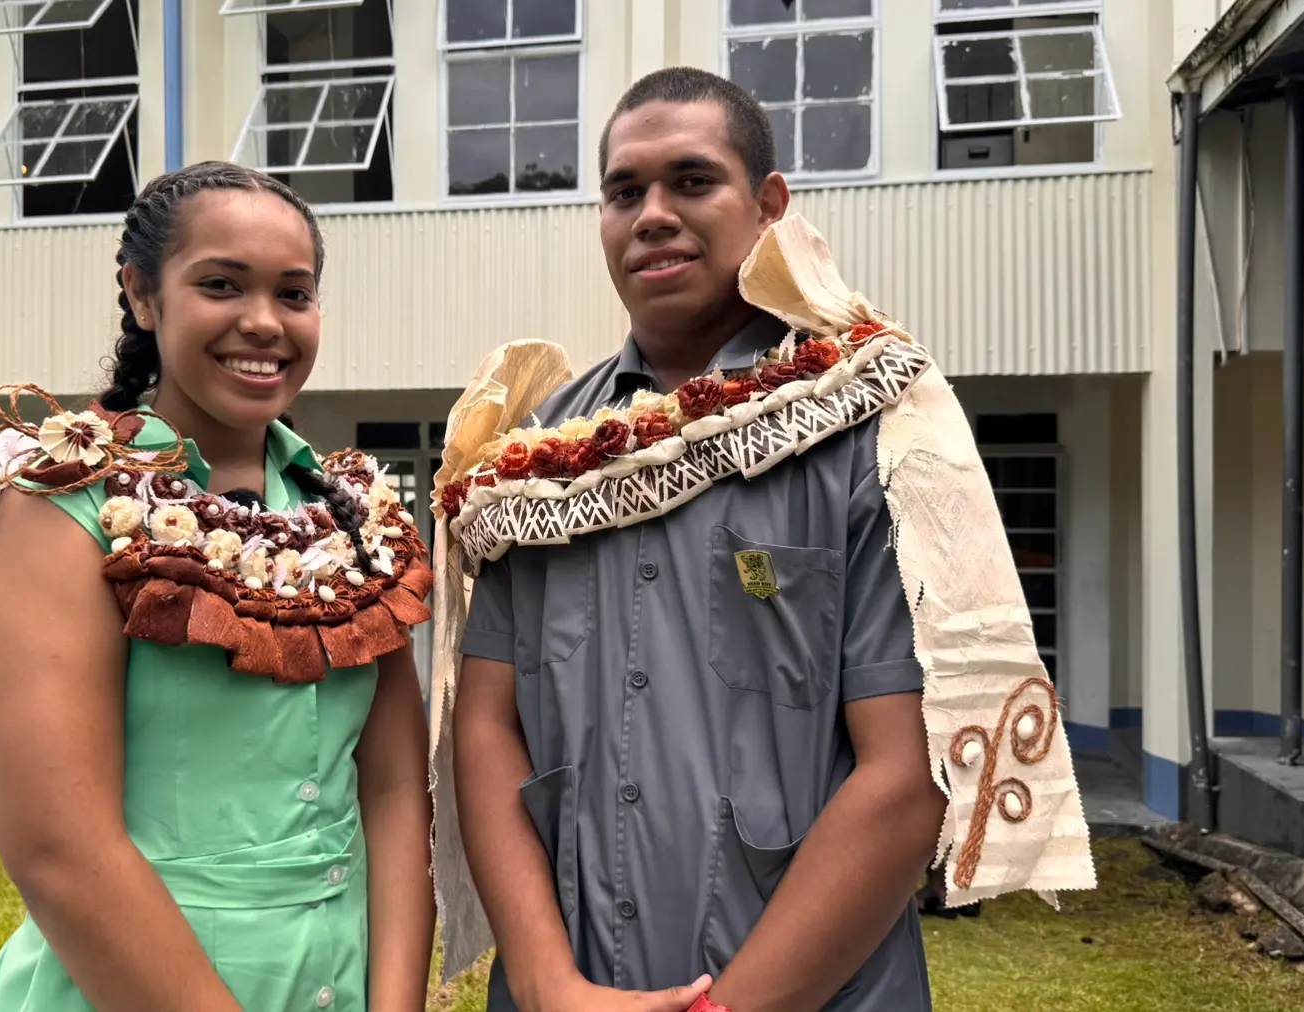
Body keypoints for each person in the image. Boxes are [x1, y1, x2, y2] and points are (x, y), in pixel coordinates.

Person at [431, 69, 1092, 1012]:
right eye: (624, 192)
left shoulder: (863, 426)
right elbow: (488, 728)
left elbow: (909, 773)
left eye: (692, 181)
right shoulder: (538, 462)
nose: (651, 214)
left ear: (769, 205)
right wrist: (543, 983)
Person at [0, 162, 435, 1012]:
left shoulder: (360, 521)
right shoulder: (65, 500)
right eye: (220, 284)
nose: (264, 322)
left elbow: (391, 790)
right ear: (141, 295)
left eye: (295, 293)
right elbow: (58, 848)